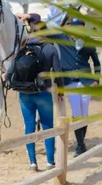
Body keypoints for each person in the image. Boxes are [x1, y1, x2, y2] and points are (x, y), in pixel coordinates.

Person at [4, 13, 64, 171]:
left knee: (29, 127)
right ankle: (50, 161)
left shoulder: (23, 46)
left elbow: (10, 72)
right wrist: (61, 92)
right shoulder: (50, 48)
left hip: (24, 94)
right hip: (43, 92)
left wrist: (8, 80)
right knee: (48, 127)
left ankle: (32, 162)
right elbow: (58, 72)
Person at [57, 18, 101, 156]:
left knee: (84, 113)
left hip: (86, 81)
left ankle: (81, 143)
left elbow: (96, 62)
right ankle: (80, 145)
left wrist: (97, 80)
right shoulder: (63, 38)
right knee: (76, 112)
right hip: (70, 82)